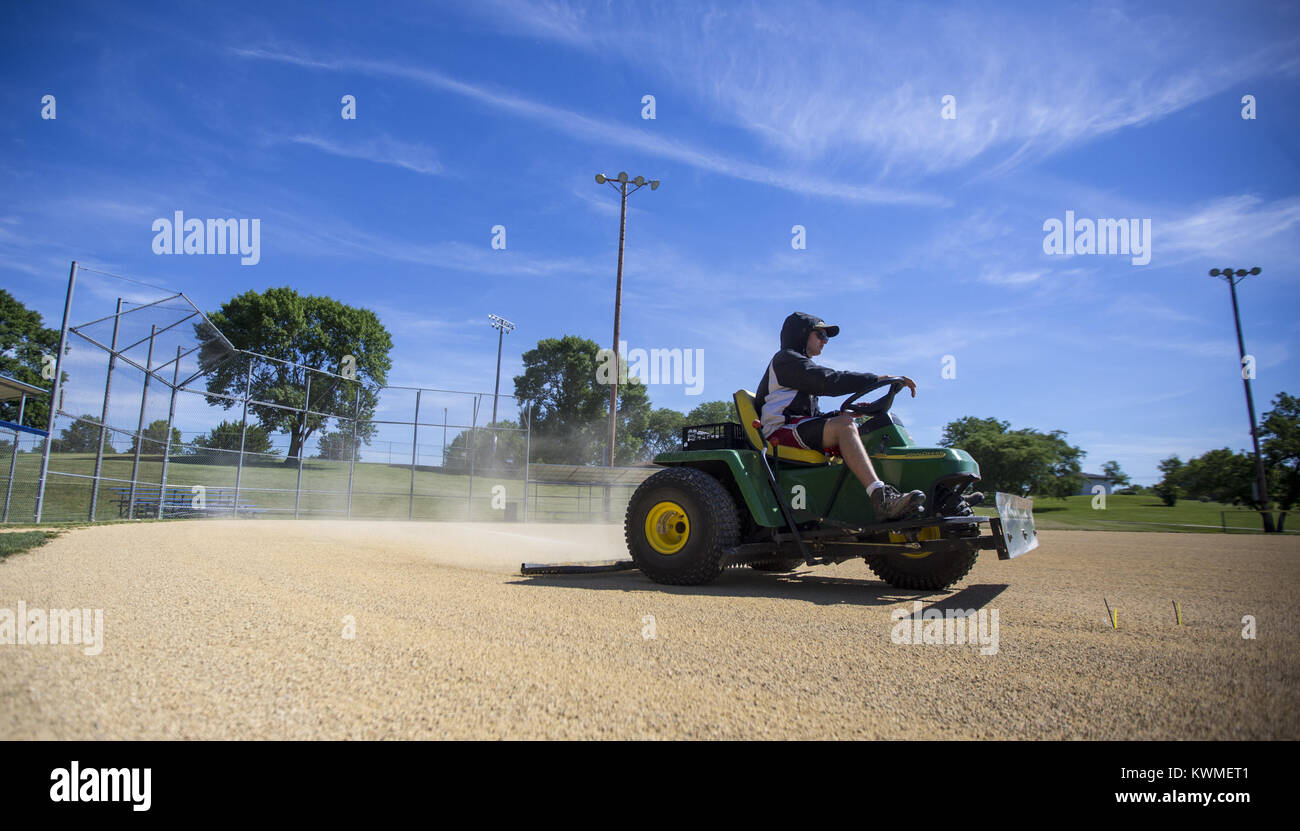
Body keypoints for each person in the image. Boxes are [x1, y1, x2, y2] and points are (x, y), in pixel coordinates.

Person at [754, 311, 926, 521]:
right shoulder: (786, 360)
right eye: (820, 335)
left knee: (863, 430)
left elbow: (814, 414)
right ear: (802, 333)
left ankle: (909, 497)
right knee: (844, 425)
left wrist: (851, 413)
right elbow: (829, 381)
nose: (825, 342)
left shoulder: (800, 368)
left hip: (798, 428)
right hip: (779, 432)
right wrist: (877, 379)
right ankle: (881, 498)